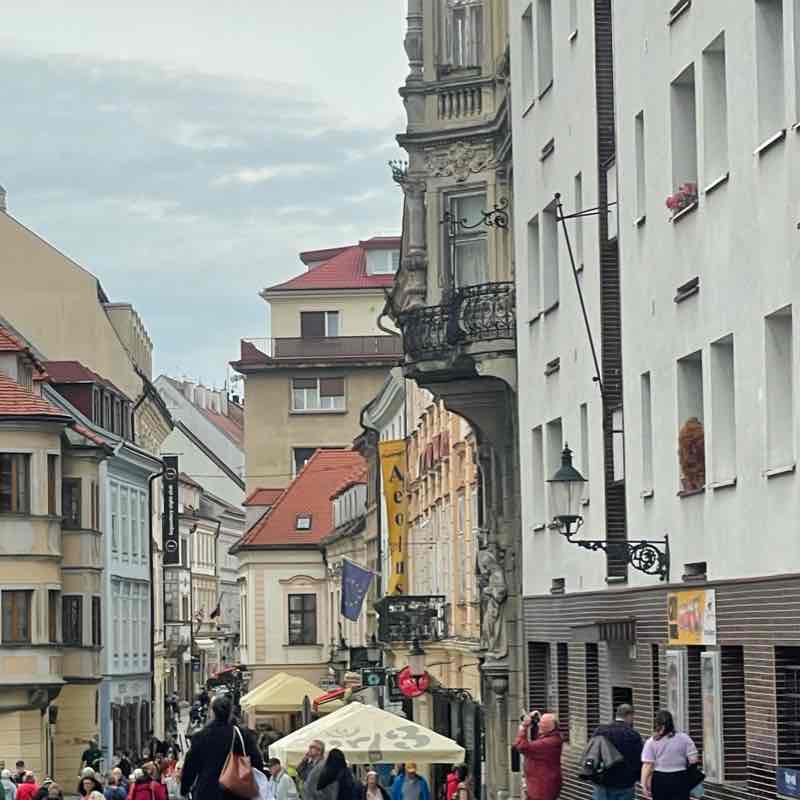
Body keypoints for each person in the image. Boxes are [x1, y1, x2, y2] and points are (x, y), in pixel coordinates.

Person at [180, 692, 263, 800]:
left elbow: (190, 765)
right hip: (235, 792)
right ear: (230, 713)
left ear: (212, 712)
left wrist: (185, 788)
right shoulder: (241, 735)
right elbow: (257, 761)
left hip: (207, 792)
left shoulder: (200, 737)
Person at [641, 710, 699, 800]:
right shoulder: (684, 738)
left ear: (657, 723)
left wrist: (643, 785)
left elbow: (647, 765)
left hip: (659, 780)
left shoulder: (651, 741)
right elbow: (694, 760)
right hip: (680, 778)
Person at [590, 704, 644, 800]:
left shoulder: (600, 731)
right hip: (624, 784)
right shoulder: (633, 735)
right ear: (629, 716)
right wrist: (638, 778)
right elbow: (638, 760)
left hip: (602, 783)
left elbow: (591, 754)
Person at [513, 711, 563, 800]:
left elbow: (522, 746)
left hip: (542, 788)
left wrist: (523, 727)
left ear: (549, 727)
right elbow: (538, 738)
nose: (539, 724)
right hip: (539, 785)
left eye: (542, 723)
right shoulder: (551, 737)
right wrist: (536, 719)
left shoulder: (550, 743)